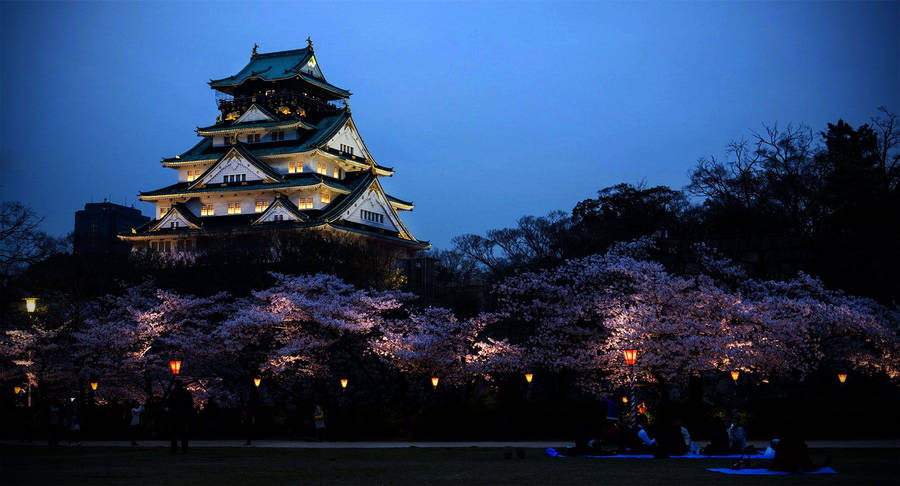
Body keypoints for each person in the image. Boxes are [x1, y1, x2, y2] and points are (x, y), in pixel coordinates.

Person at [168, 380, 193, 453]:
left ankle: (174, 448)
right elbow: (190, 403)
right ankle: (184, 448)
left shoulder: (172, 393)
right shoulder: (187, 393)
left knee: (174, 433)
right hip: (183, 415)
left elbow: (169, 403)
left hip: (174, 415)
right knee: (184, 433)